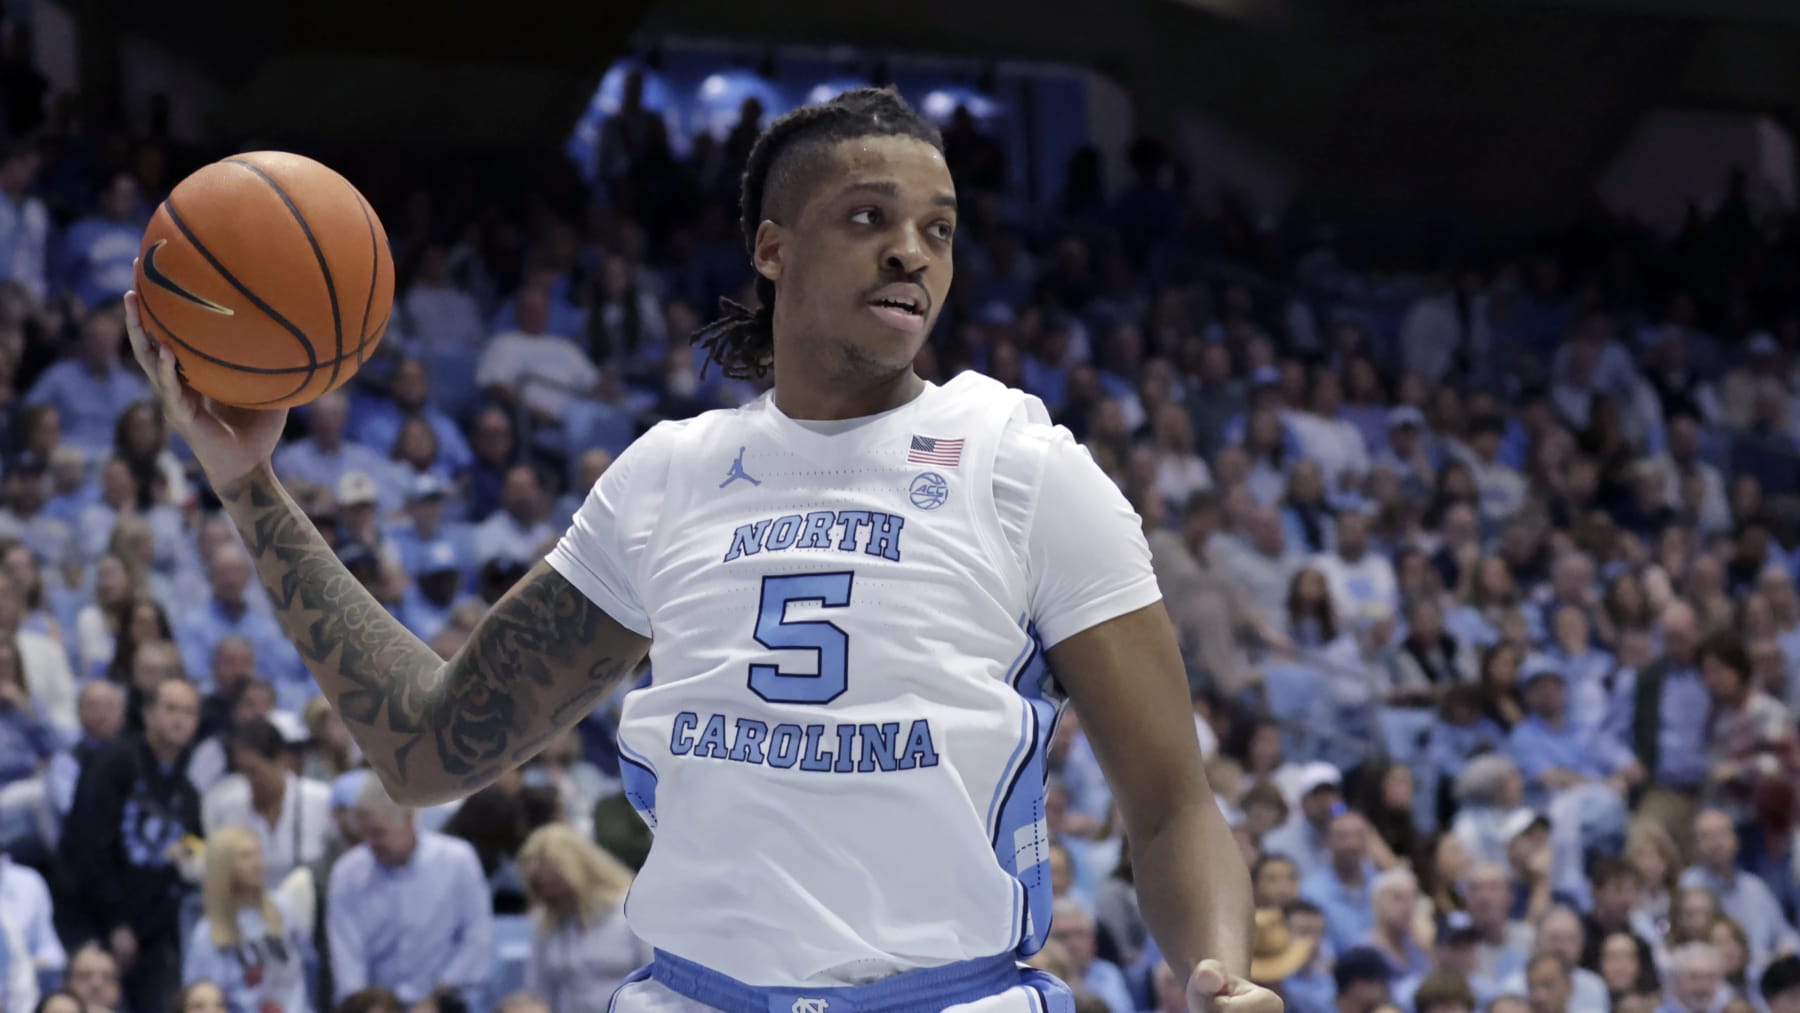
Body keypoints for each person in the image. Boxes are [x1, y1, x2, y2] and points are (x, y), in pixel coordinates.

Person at [124, 86, 1270, 1009]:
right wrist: (250, 486)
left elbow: (1173, 803)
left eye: (938, 228)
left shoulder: (1026, 465)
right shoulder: (667, 475)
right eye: (868, 218)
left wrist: (1219, 969)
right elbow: (428, 750)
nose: (911, 252)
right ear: (773, 247)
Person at [516, 824, 650, 1013]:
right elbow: (537, 993)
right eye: (549, 897)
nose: (558, 902)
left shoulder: (630, 911)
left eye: (563, 893)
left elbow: (655, 983)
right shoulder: (545, 921)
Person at [182, 826, 311, 1013]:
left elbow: (310, 966)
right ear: (223, 865)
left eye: (258, 853)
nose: (257, 863)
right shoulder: (206, 934)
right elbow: (198, 999)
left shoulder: (284, 909)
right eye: (245, 856)